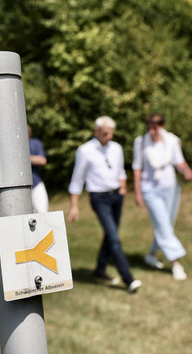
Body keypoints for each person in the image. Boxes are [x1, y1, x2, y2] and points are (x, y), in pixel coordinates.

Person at [68, 116, 142, 293]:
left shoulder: (116, 148)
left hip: (116, 196)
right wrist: (74, 206)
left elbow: (120, 170)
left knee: (111, 235)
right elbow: (77, 179)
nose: (109, 137)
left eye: (111, 134)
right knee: (114, 238)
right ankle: (128, 279)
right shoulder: (85, 151)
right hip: (99, 198)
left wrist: (123, 185)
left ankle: (100, 269)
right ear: (96, 132)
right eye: (105, 134)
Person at [132, 113, 192, 281]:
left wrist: (186, 171)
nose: (151, 131)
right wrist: (137, 192)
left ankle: (152, 254)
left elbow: (178, 161)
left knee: (166, 225)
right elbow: (137, 168)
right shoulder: (141, 143)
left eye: (154, 127)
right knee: (163, 225)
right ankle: (176, 263)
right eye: (149, 127)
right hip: (150, 189)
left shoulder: (171, 141)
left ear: (161, 127)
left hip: (171, 189)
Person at [28, 125, 49, 213]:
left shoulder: (35, 143)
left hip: (36, 184)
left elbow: (42, 160)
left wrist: (23, 158)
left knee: (43, 214)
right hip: (19, 189)